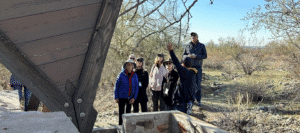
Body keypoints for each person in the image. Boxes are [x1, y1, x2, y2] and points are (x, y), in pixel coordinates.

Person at [167, 43, 198, 114]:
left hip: (181, 103)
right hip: (188, 102)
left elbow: (176, 63)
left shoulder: (184, 72)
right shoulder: (192, 73)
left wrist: (171, 51)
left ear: (183, 64)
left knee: (178, 122)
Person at [182, 32, 207, 106]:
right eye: (192, 37)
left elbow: (205, 56)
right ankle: (191, 100)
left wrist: (196, 56)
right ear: (191, 38)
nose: (193, 38)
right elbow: (183, 55)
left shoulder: (201, 46)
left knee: (198, 84)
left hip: (198, 67)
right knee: (190, 84)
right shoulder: (187, 45)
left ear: (197, 37)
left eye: (194, 37)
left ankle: (198, 100)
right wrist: (187, 56)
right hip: (189, 68)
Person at [114, 59, 139, 125]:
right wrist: (116, 97)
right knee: (121, 114)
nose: (129, 66)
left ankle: (127, 128)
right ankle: (120, 127)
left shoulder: (135, 75)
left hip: (130, 97)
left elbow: (136, 87)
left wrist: (134, 98)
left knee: (128, 114)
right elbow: (116, 86)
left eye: (131, 65)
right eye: (128, 64)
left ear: (133, 66)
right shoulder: (121, 74)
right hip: (121, 97)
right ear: (125, 66)